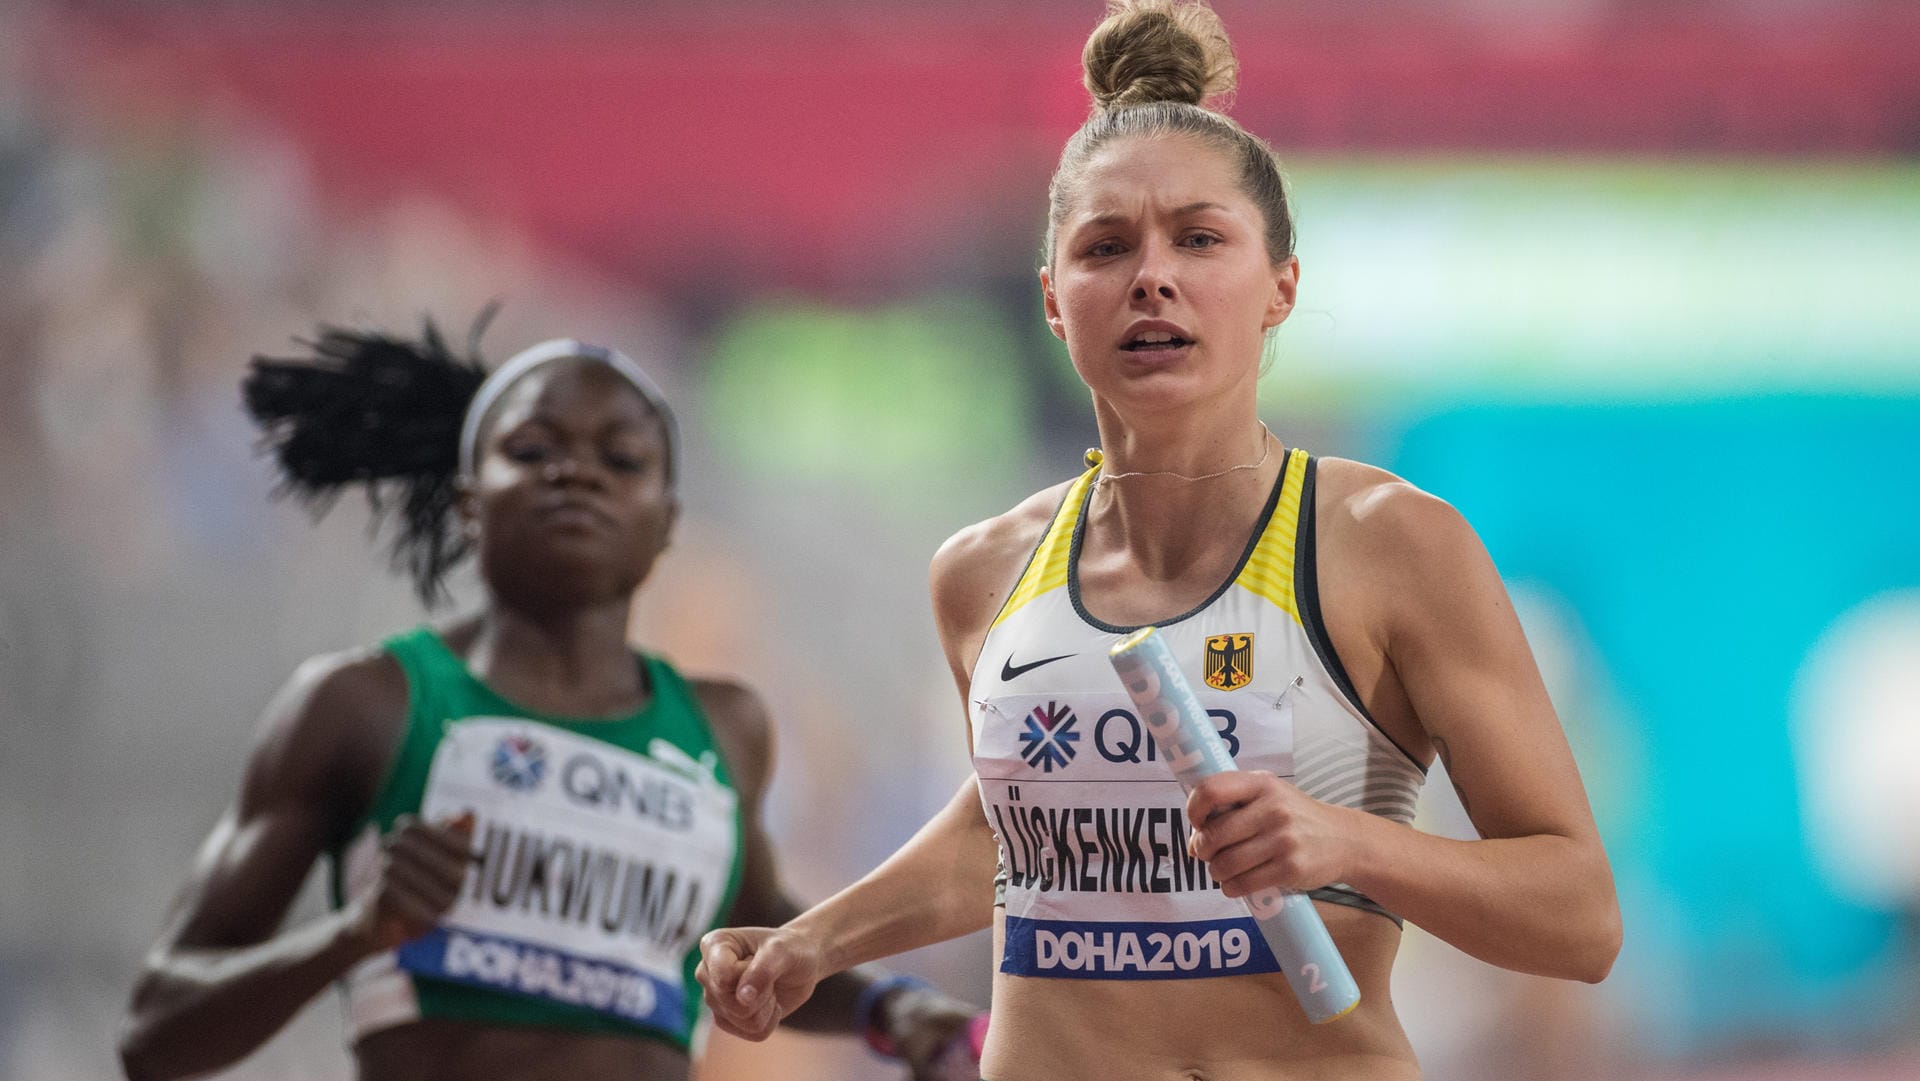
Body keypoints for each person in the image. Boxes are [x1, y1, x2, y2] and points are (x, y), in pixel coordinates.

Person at [694, 2, 1623, 1078]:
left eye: (1198, 237)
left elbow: (1580, 917)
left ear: (1282, 285)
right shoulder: (983, 571)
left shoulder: (1388, 544)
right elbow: (1010, 835)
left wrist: (1346, 842)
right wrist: (814, 942)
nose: (1152, 276)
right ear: (1054, 298)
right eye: (1106, 246)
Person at [117, 323, 982, 1081]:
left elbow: (773, 951)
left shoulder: (724, 727)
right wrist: (355, 934)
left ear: (665, 518)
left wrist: (894, 1012)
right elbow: (153, 1034)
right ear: (467, 501)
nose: (577, 475)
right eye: (534, 450)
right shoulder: (366, 705)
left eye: (621, 458)